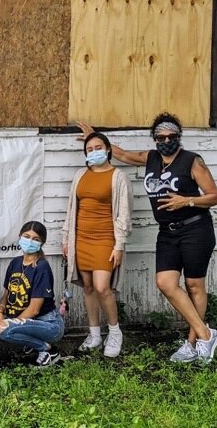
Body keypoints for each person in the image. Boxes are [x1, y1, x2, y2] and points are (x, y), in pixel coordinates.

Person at [78, 113, 217, 363]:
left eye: (171, 136)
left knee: (194, 286)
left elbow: (214, 197)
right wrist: (96, 137)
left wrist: (186, 200)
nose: (166, 140)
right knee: (166, 283)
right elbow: (121, 154)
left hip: (195, 229)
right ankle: (206, 334)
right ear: (155, 138)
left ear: (178, 137)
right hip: (167, 232)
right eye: (161, 136)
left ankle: (193, 344)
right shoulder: (151, 158)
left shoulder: (192, 161)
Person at [62, 132, 132, 357]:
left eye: (98, 147)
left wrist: (119, 244)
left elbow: (124, 214)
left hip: (105, 240)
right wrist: (66, 240)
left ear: (108, 149)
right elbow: (72, 208)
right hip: (81, 239)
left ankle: (114, 332)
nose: (94, 152)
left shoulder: (118, 176)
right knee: (88, 287)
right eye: (89, 149)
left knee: (103, 287)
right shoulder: (80, 175)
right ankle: (94, 334)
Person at [0, 221, 64, 367]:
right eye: (26, 236)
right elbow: (6, 295)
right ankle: (30, 342)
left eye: (36, 239)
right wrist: (0, 313)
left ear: (42, 243)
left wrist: (13, 325)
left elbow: (34, 309)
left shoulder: (41, 267)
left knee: (3, 329)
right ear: (20, 236)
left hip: (47, 324)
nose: (30, 241)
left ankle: (48, 350)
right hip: (23, 319)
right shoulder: (16, 262)